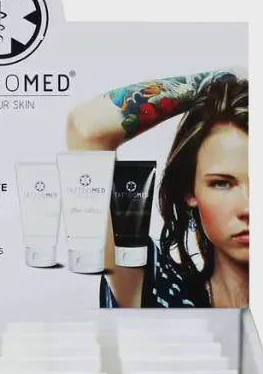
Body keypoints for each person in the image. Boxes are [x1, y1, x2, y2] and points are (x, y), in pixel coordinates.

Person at [66, 71, 248, 308]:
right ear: (189, 190)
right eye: (222, 183)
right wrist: (218, 82)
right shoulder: (156, 289)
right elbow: (87, 128)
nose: (247, 208)